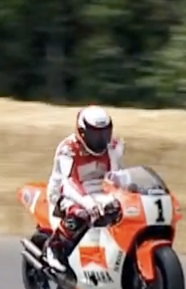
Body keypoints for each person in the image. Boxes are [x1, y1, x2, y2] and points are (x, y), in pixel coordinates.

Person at [43, 106, 125, 271]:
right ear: (82, 132)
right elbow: (67, 184)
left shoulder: (113, 146)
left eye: (104, 133)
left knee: (122, 210)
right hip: (65, 194)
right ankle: (54, 247)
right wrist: (87, 202)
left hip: (99, 191)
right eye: (95, 135)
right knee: (82, 214)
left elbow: (117, 175)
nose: (101, 139)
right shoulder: (68, 149)